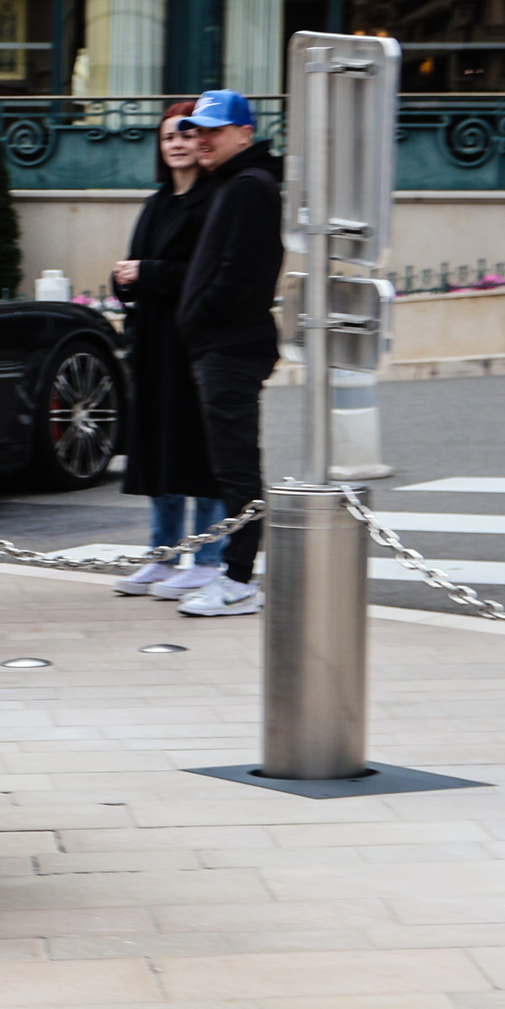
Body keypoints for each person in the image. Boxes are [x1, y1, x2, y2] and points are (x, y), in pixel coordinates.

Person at [171, 88, 285, 618]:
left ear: (244, 133)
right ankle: (234, 572)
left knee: (237, 468)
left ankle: (239, 578)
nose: (203, 138)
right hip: (224, 343)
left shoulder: (248, 187)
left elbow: (241, 273)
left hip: (230, 345)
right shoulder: (234, 184)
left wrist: (201, 315)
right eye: (198, 129)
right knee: (230, 466)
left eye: (214, 130)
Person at [110, 101, 229, 601]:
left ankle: (207, 557)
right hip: (156, 344)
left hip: (194, 343)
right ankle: (161, 555)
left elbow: (203, 272)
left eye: (185, 134)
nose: (177, 143)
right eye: (167, 138)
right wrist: (125, 282)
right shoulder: (157, 202)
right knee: (161, 451)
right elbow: (135, 268)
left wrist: (147, 274)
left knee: (200, 453)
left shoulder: (214, 200)